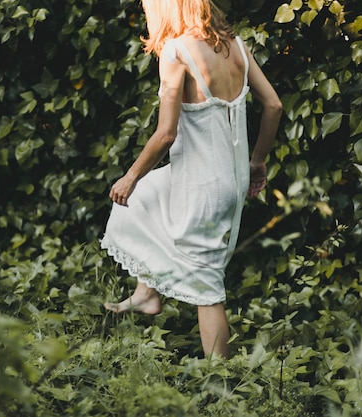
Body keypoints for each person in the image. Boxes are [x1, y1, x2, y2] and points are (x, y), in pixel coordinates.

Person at [100, 0, 282, 358]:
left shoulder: (176, 51)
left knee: (206, 285)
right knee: (144, 199)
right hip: (230, 180)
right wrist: (257, 162)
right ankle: (147, 294)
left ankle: (225, 380)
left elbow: (166, 133)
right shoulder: (236, 46)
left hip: (202, 188)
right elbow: (274, 105)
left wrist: (130, 175)